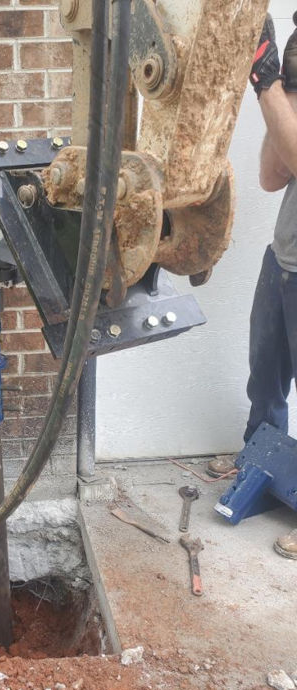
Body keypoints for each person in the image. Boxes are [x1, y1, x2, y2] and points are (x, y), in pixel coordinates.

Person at [207, 13, 297, 558]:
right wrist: (285, 94)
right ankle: (257, 459)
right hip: (284, 260)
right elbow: (272, 175)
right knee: (265, 377)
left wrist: (265, 85)